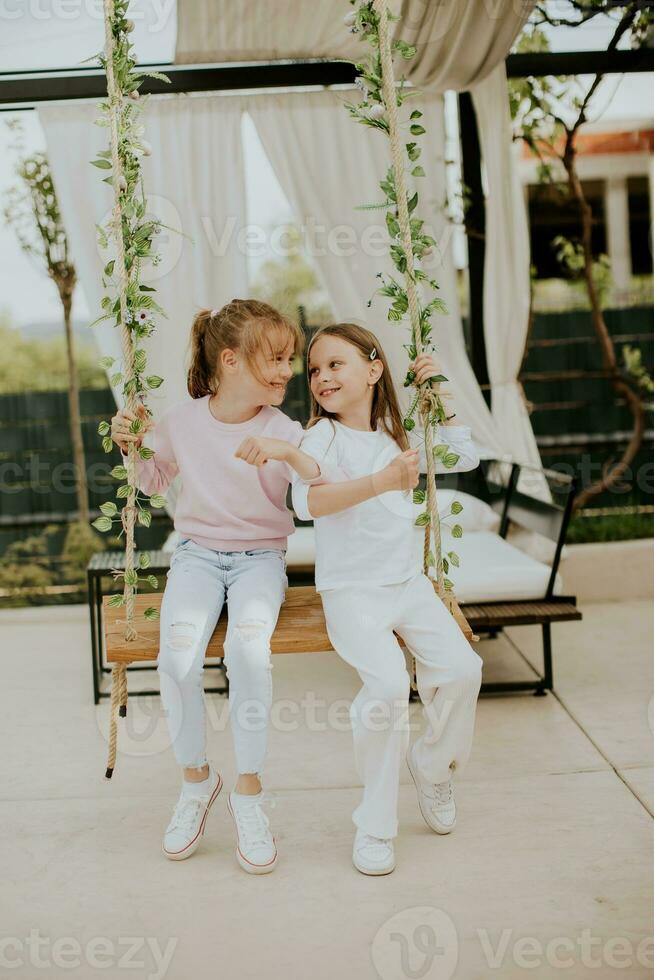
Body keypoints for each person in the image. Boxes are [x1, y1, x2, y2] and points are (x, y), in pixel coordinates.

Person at [243, 322, 483, 876]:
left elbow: (464, 456)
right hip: (351, 592)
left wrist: (440, 390)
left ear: (374, 370)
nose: (322, 377)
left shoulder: (398, 434)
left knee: (464, 670)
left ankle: (432, 766)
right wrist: (380, 483)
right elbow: (311, 504)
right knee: (388, 685)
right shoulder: (321, 437)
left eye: (336, 364)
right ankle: (375, 825)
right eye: (315, 370)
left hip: (406, 584)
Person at [110, 299, 324, 874]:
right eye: (274, 359)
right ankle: (197, 781)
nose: (287, 370)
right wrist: (130, 443)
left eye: (288, 359)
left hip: (260, 561)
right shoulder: (180, 422)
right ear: (230, 361)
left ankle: (249, 793)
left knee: (248, 654)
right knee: (176, 660)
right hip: (198, 559)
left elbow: (318, 488)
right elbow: (154, 480)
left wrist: (290, 453)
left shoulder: (283, 429)